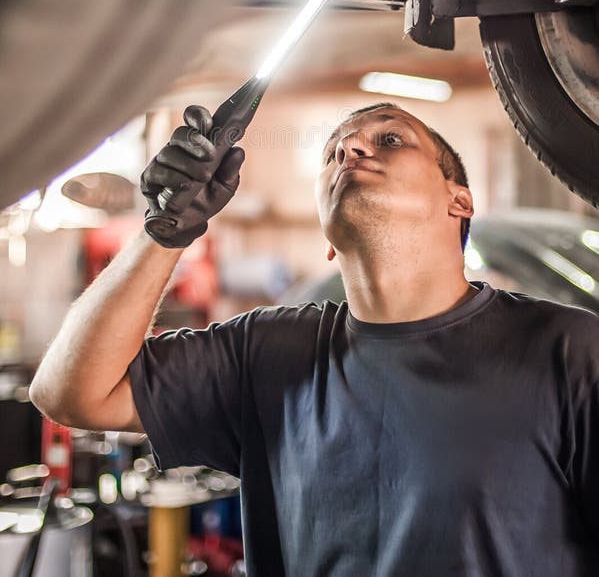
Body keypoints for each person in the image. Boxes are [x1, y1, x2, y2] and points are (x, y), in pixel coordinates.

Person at [30, 102, 599, 576]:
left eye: (391, 139)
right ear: (328, 238)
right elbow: (69, 392)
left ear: (460, 201)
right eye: (333, 153)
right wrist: (165, 231)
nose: (350, 151)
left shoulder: (567, 351)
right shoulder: (268, 353)